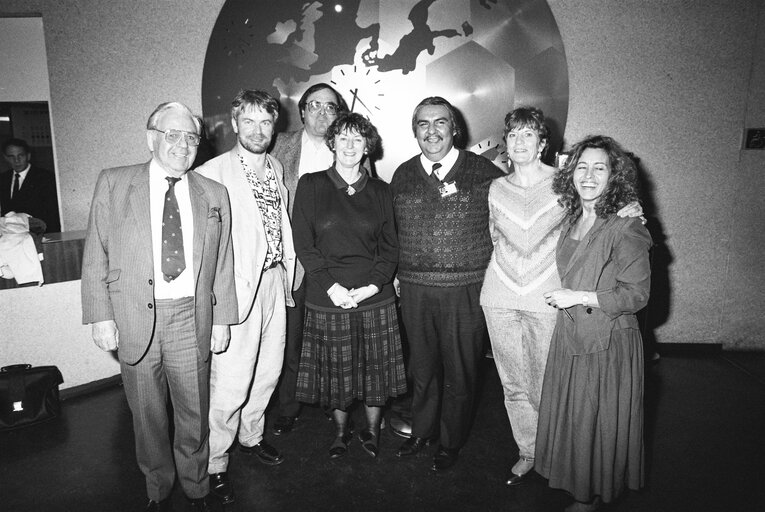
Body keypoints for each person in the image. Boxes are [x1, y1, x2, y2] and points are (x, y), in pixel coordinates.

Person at [81, 101, 238, 512]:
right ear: (151, 138)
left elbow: (223, 262)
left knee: (194, 410)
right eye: (173, 135)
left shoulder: (213, 193)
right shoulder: (114, 183)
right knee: (147, 413)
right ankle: (156, 486)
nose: (183, 145)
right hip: (134, 314)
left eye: (191, 137)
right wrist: (100, 314)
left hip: (191, 315)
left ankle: (197, 486)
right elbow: (95, 251)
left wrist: (221, 319)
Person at [479, 108, 643, 486]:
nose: (520, 142)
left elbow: (598, 208)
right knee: (512, 383)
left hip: (549, 298)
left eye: (528, 135)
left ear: (542, 143)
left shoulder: (563, 184)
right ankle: (528, 451)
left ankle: (553, 454)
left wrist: (631, 209)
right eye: (513, 135)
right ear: (506, 143)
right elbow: (495, 237)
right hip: (499, 297)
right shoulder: (496, 188)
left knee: (545, 381)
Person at [538, 135, 652, 512]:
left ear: (613, 176)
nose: (588, 175)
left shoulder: (626, 225)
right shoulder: (573, 215)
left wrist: (581, 297)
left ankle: (590, 496)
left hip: (607, 339)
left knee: (594, 419)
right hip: (573, 332)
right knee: (577, 417)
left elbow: (636, 295)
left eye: (599, 168)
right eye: (582, 166)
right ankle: (580, 485)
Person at [390, 96, 504, 472]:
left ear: (455, 128)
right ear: (415, 131)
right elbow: (391, 232)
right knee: (421, 367)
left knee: (461, 369)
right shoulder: (403, 174)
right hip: (415, 288)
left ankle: (451, 440)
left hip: (466, 288)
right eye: (423, 123)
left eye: (441, 123)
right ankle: (422, 431)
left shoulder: (484, 172)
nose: (432, 131)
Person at [195, 90, 296, 505]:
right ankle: (215, 460)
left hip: (274, 280)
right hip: (235, 288)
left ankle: (252, 436)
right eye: (248, 121)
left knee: (268, 370)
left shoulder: (275, 167)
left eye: (265, 122)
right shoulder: (211, 173)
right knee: (231, 381)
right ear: (235, 125)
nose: (258, 130)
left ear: (274, 127)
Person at [292, 112, 405, 458]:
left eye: (358, 139)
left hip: (374, 297)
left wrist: (374, 285)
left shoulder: (381, 191)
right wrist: (332, 288)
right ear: (332, 143)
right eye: (343, 138)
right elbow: (304, 245)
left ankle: (372, 430)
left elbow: (390, 246)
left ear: (368, 145)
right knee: (337, 372)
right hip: (329, 298)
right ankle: (340, 431)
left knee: (376, 371)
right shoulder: (311, 185)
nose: (350, 146)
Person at [270, 83, 353, 435]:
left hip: (335, 265)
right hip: (291, 264)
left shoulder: (350, 149)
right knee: (289, 341)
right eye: (314, 105)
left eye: (330, 107)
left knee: (331, 341)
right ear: (301, 111)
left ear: (340, 115)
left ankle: (328, 402)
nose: (321, 112)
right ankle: (288, 405)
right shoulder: (277, 146)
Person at [1, 138, 61, 233]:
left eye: (21, 155)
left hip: (39, 236)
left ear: (28, 156)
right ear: (5, 158)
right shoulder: (3, 179)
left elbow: (52, 214)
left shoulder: (46, 177)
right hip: (9, 238)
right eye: (11, 156)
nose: (17, 160)